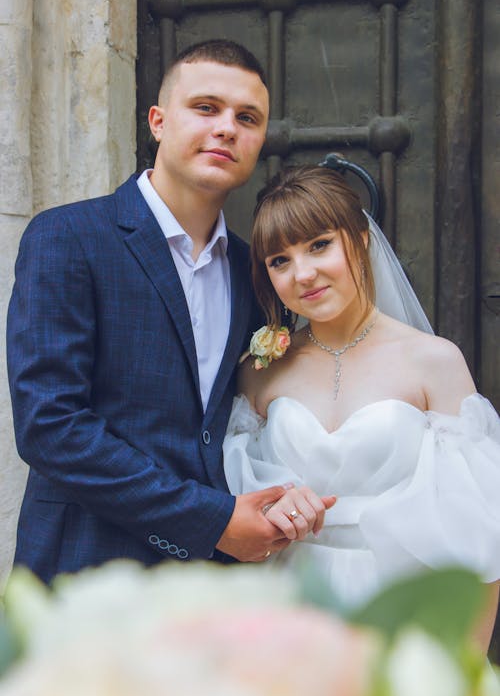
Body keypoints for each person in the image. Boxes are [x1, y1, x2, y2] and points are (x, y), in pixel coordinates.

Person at [7, 40, 334, 584]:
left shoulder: (259, 277)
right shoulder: (68, 236)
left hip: (214, 590)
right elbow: (50, 426)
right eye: (206, 108)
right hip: (82, 576)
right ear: (158, 121)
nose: (227, 127)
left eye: (247, 117)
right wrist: (211, 520)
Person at [223, 164, 500, 653]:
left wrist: (466, 670)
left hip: (400, 609)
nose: (302, 274)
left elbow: (482, 540)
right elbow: (233, 510)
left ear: (361, 240)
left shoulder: (434, 361)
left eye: (319, 245)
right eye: (279, 260)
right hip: (288, 611)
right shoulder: (259, 370)